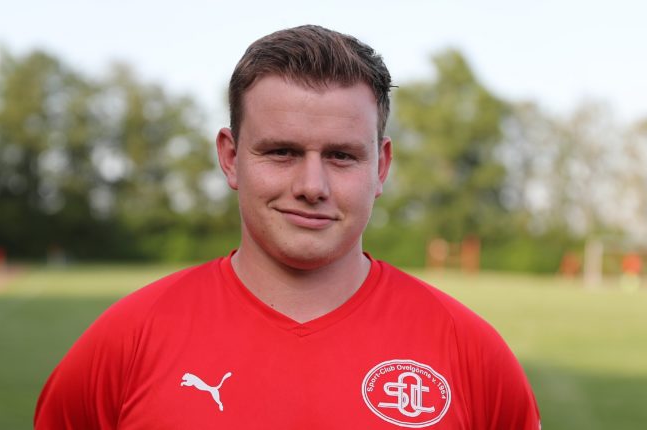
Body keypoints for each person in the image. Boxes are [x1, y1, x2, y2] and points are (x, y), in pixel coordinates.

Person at [35, 25, 540, 429]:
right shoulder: (126, 342)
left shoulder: (472, 354)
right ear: (230, 157)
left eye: (342, 156)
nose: (311, 186)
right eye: (281, 152)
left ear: (381, 167)